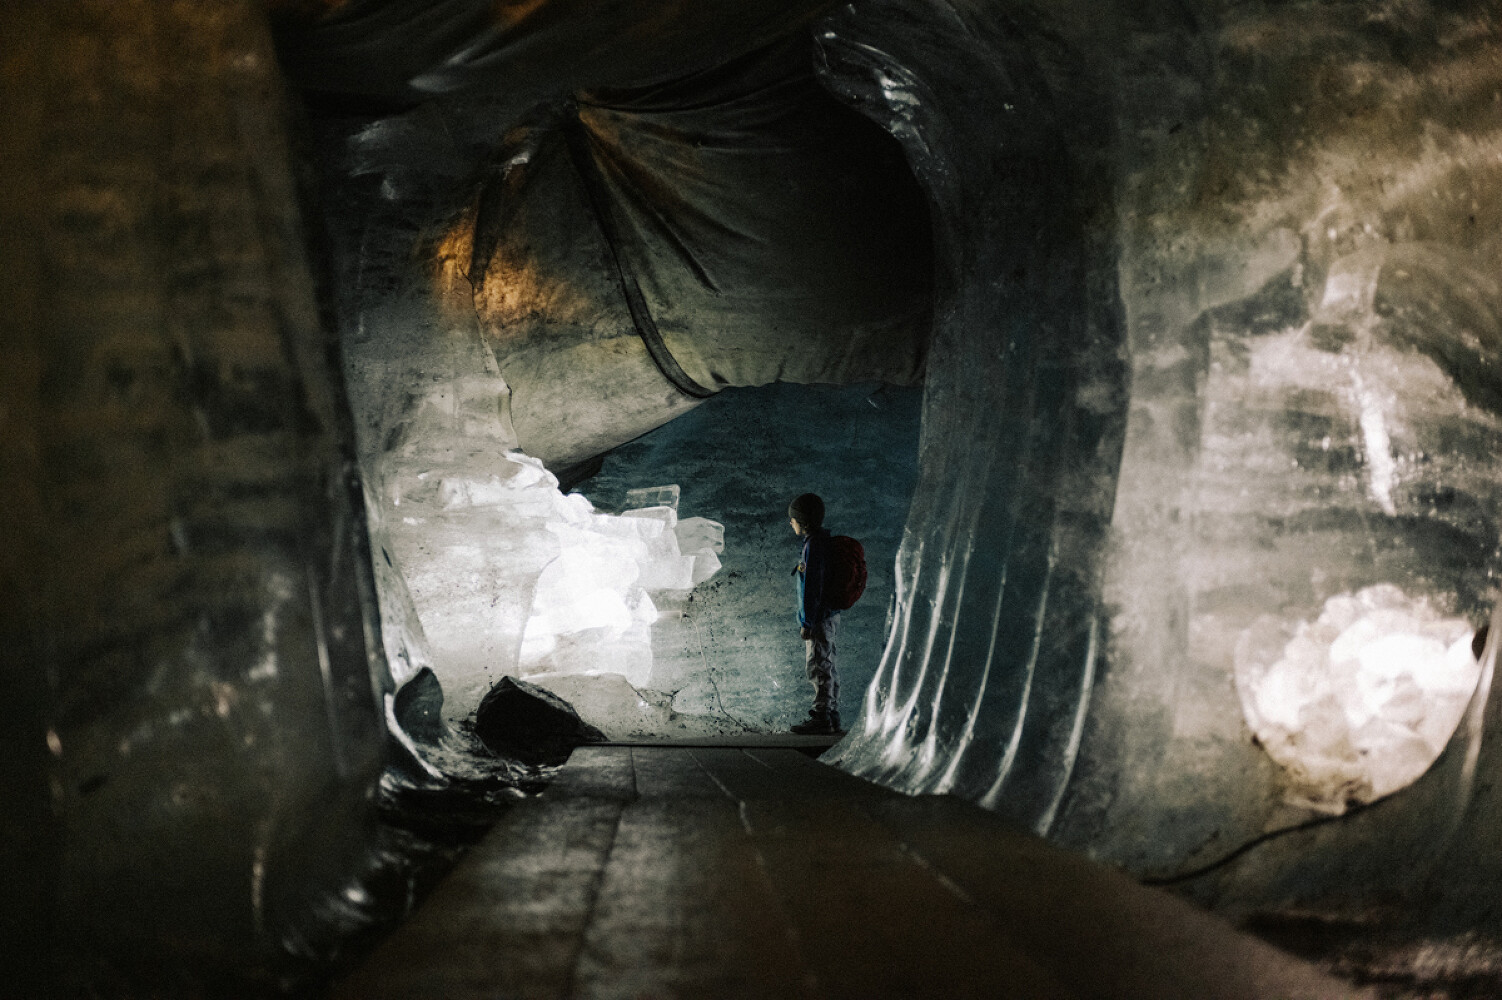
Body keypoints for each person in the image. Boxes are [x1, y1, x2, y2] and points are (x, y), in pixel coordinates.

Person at [788, 493, 841, 734]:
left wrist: (807, 622)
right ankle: (832, 714)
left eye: (793, 519)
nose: (791, 523)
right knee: (828, 663)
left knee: (817, 665)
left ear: (803, 521)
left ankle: (822, 718)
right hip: (829, 615)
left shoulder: (813, 545)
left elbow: (812, 588)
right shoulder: (822, 541)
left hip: (818, 618)